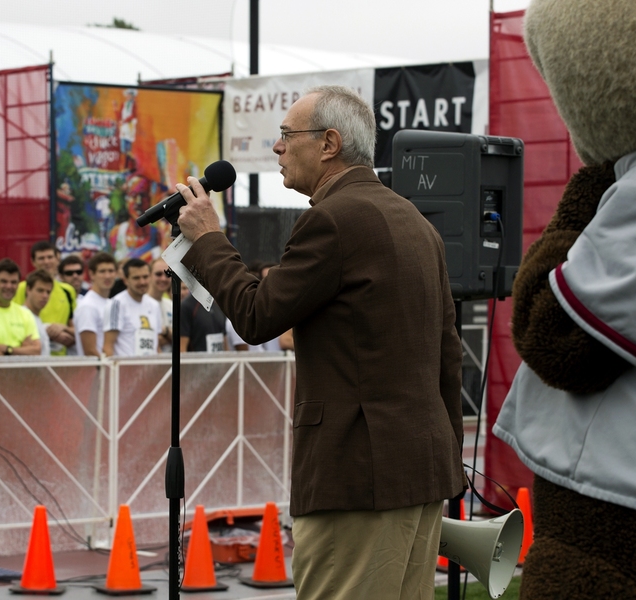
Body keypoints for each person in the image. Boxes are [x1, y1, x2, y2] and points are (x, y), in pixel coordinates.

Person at [175, 86, 464, 599]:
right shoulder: (418, 224)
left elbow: (257, 315)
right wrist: (446, 465)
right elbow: (448, 358)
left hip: (356, 476)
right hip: (420, 470)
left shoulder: (332, 219)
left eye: (287, 136)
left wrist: (207, 241)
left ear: (329, 143)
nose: (277, 149)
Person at [12, 241, 76, 355]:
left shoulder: (68, 291)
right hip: (33, 359)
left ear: (57, 259)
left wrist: (63, 328)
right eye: (41, 258)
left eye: (50, 257)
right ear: (33, 262)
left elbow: (75, 329)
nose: (46, 262)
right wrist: (46, 330)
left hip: (61, 360)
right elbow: (13, 324)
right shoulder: (21, 288)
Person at [104, 258, 162, 357]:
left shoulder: (154, 305)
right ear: (126, 280)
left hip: (149, 369)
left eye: (145, 277)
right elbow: (108, 347)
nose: (142, 282)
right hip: (125, 370)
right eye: (136, 278)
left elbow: (155, 345)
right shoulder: (117, 304)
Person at [74, 252, 117, 357]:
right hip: (99, 371)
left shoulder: (111, 303)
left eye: (111, 271)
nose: (107, 276)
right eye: (102, 271)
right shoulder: (87, 306)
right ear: (92, 275)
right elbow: (90, 351)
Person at [22, 269, 53, 358]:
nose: (45, 296)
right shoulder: (22, 316)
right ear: (28, 290)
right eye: (40, 290)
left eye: (48, 292)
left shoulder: (36, 318)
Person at [148, 258, 174, 351]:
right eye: (158, 274)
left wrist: (165, 332)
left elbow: (181, 337)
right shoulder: (140, 303)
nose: (163, 278)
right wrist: (170, 336)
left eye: (167, 274)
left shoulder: (171, 305)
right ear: (149, 275)